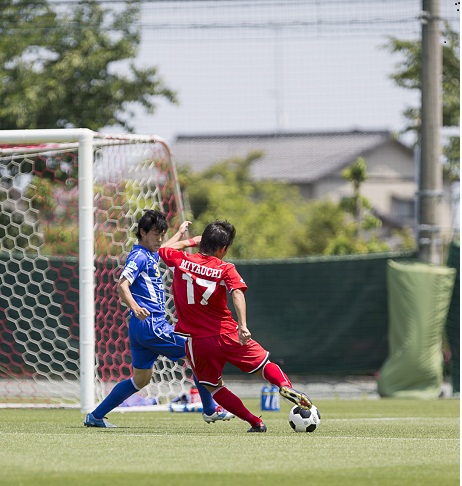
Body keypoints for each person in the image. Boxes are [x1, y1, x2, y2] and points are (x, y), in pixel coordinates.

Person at [159, 220, 314, 432]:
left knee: (213, 387)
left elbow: (163, 249)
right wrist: (243, 326)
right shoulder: (225, 268)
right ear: (223, 249)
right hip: (228, 333)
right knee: (263, 365)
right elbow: (237, 292)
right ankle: (285, 387)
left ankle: (255, 422)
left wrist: (188, 240)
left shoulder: (181, 259)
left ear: (202, 242)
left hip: (198, 341)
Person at [84, 210, 234, 428]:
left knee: (140, 380)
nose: (160, 239)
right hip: (151, 324)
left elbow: (165, 249)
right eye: (156, 234)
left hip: (140, 328)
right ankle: (211, 409)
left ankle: (95, 416)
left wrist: (183, 235)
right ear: (143, 233)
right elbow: (122, 286)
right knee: (197, 353)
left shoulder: (150, 252)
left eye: (162, 234)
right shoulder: (139, 256)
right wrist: (135, 307)